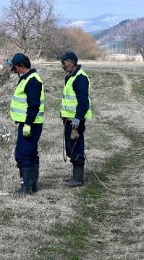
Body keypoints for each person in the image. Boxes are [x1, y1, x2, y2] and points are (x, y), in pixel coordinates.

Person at [9, 52, 45, 194]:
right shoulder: (27, 78)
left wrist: (28, 124)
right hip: (28, 123)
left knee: (23, 154)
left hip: (31, 124)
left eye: (16, 68)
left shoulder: (32, 81)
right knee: (30, 153)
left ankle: (27, 187)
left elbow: (34, 105)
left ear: (22, 66)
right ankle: (32, 186)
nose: (15, 71)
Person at [60, 52, 92, 187]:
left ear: (71, 62)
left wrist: (78, 119)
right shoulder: (70, 77)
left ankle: (78, 179)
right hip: (69, 119)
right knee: (71, 147)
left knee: (76, 147)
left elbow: (83, 102)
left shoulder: (80, 78)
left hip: (76, 121)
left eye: (63, 63)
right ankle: (75, 177)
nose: (61, 66)